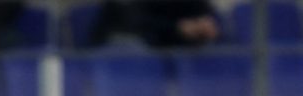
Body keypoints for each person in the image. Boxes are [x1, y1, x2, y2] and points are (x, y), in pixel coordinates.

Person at [90, 1, 221, 48]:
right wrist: (177, 28)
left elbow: (207, 17)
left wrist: (205, 25)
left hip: (186, 47)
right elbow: (140, 24)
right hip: (148, 46)